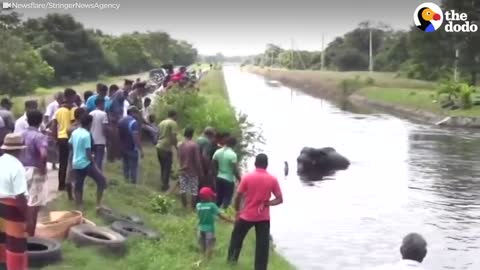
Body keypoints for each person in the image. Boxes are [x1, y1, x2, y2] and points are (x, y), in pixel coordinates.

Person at [227, 153, 283, 270]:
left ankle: (232, 261)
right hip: (263, 217)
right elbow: (279, 199)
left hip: (247, 215)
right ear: (266, 165)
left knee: (236, 237)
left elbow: (238, 196)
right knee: (262, 245)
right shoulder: (272, 179)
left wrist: (237, 211)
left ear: (255, 163)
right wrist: (268, 203)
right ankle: (260, 268)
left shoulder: (247, 177)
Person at [0, 133, 29, 270]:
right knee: (15, 245)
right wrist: (28, 218)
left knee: (2, 241)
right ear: (19, 150)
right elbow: (20, 197)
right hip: (12, 208)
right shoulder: (17, 167)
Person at [20, 110, 48, 236]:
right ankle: (31, 235)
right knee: (33, 203)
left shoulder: (20, 134)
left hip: (20, 169)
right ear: (41, 121)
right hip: (34, 170)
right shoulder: (39, 136)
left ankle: (21, 230)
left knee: (23, 200)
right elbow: (43, 154)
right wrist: (43, 168)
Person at [69, 114, 107, 210]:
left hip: (75, 162)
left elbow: (70, 144)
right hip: (85, 163)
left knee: (79, 184)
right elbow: (88, 153)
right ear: (90, 124)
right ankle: (98, 204)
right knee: (102, 181)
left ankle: (79, 205)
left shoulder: (75, 132)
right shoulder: (86, 135)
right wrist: (93, 162)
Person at [196, 187, 233, 260]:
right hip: (209, 230)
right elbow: (221, 215)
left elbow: (203, 215)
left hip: (200, 229)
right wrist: (231, 220)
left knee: (203, 248)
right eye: (211, 196)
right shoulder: (212, 205)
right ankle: (207, 262)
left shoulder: (198, 205)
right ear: (208, 197)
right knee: (209, 247)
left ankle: (202, 261)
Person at [51, 88, 77, 191]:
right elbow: (74, 123)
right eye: (74, 96)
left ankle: (61, 185)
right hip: (70, 138)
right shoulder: (73, 109)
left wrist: (55, 138)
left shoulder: (58, 110)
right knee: (71, 162)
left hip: (61, 138)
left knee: (62, 162)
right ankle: (70, 184)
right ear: (70, 96)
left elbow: (54, 125)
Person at [178, 127, 204, 209]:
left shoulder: (181, 144)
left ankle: (184, 206)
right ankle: (192, 208)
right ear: (192, 134)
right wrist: (200, 172)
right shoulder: (194, 145)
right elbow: (197, 160)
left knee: (183, 189)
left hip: (183, 170)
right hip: (193, 171)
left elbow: (179, 157)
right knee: (194, 191)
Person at [212, 136, 240, 208]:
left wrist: (216, 174)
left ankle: (216, 213)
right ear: (233, 145)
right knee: (227, 198)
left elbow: (213, 164)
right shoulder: (233, 155)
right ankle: (225, 213)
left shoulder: (217, 152)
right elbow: (235, 170)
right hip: (229, 179)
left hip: (219, 177)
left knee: (218, 198)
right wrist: (240, 179)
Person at [118, 106, 144, 184]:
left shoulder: (121, 121)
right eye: (136, 113)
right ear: (132, 113)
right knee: (133, 167)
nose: (137, 115)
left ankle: (125, 181)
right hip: (132, 148)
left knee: (125, 166)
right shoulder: (133, 122)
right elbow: (135, 137)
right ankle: (133, 184)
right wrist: (141, 149)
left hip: (122, 147)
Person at [65, 107, 86, 200]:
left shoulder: (70, 127)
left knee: (70, 174)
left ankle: (70, 196)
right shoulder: (81, 128)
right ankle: (78, 198)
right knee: (78, 176)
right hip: (79, 153)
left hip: (72, 152)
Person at [156, 110, 178, 192]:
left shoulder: (162, 122)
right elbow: (173, 136)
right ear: (174, 115)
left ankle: (163, 183)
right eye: (176, 116)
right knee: (167, 167)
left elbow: (157, 134)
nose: (177, 118)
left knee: (163, 166)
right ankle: (165, 185)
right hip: (166, 147)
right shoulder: (173, 123)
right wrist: (176, 146)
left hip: (159, 146)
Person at [89, 98, 108, 171]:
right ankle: (98, 176)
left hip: (91, 140)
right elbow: (104, 128)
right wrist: (107, 137)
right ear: (101, 104)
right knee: (99, 160)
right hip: (100, 140)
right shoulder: (103, 114)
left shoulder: (90, 113)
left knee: (93, 160)